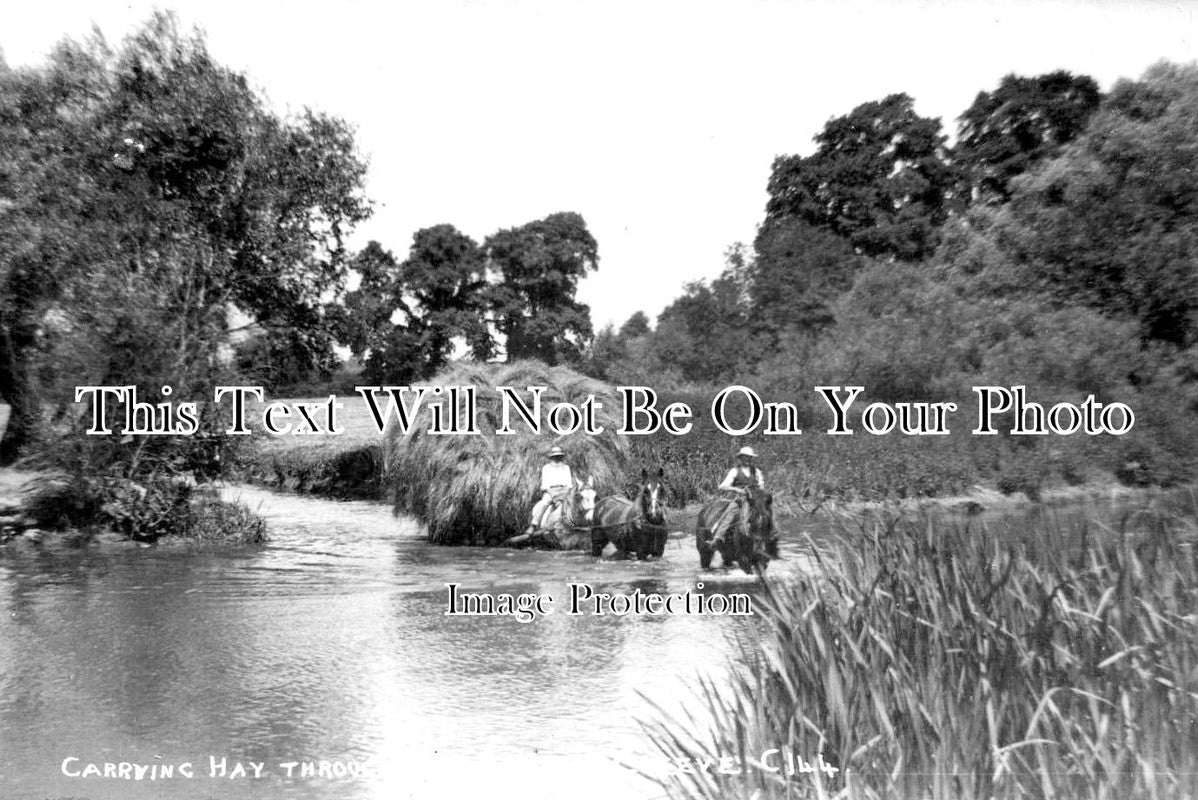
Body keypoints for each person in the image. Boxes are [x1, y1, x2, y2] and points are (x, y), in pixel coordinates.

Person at [711, 446, 765, 546]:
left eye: (750, 457)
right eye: (745, 457)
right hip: (740, 500)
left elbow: (761, 486)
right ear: (740, 458)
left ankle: (771, 539)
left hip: (755, 500)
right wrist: (736, 489)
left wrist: (760, 492)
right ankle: (717, 538)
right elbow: (722, 486)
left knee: (767, 515)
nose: (748, 459)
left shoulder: (757, 471)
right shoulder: (734, 471)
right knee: (730, 514)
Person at [526, 446, 574, 534]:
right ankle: (533, 525)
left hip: (564, 491)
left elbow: (569, 484)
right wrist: (553, 495)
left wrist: (564, 494)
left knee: (574, 505)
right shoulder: (546, 468)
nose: (557, 458)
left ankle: (575, 525)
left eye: (559, 456)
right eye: (555, 456)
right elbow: (545, 485)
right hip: (551, 491)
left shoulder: (566, 467)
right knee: (544, 503)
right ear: (551, 457)